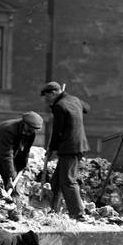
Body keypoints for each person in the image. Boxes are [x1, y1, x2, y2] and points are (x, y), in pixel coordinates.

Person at [40, 81, 90, 220]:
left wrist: (51, 149)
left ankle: (78, 213)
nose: (46, 99)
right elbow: (87, 108)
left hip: (70, 147)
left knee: (68, 180)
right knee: (56, 181)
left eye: (47, 96)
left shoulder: (59, 106)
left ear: (54, 92)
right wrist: (73, 100)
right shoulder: (73, 100)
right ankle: (54, 210)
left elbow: (57, 132)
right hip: (77, 146)